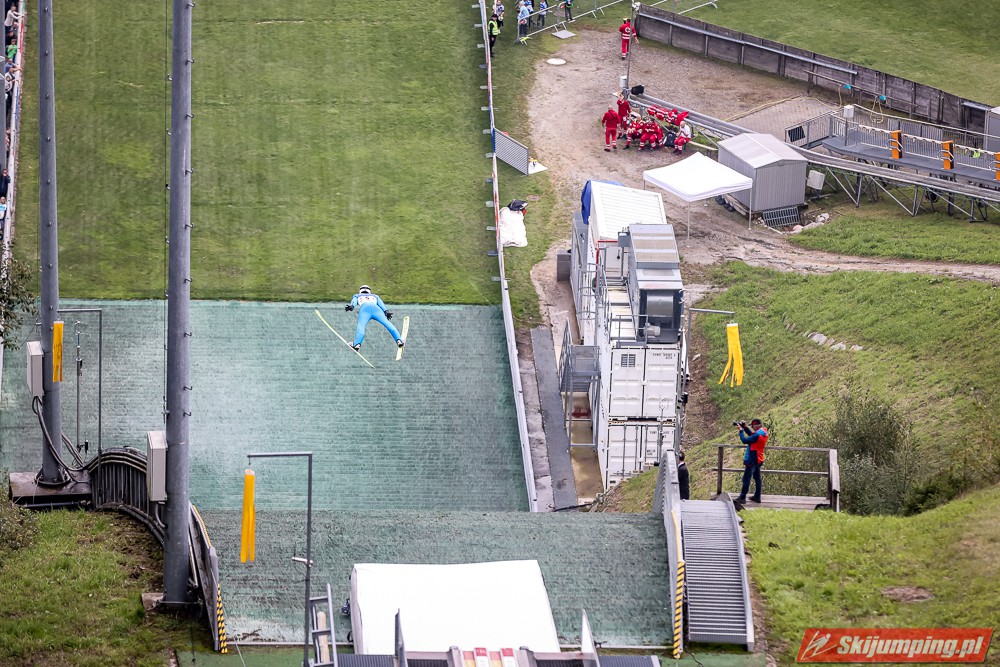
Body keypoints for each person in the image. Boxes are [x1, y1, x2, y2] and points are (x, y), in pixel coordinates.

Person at [345, 285, 404, 351]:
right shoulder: (375, 296)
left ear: (360, 291)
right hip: (376, 309)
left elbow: (354, 302)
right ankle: (398, 340)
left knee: (361, 325)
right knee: (387, 323)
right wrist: (386, 311)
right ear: (369, 291)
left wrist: (352, 306)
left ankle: (357, 343)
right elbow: (381, 304)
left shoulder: (357, 296)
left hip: (365, 309)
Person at [736, 418, 768, 504]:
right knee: (757, 478)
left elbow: (744, 440)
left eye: (753, 426)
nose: (752, 428)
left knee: (746, 479)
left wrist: (741, 430)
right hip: (759, 458)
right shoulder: (763, 433)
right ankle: (757, 496)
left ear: (757, 426)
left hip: (752, 459)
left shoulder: (757, 435)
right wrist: (745, 427)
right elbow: (752, 435)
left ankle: (742, 497)